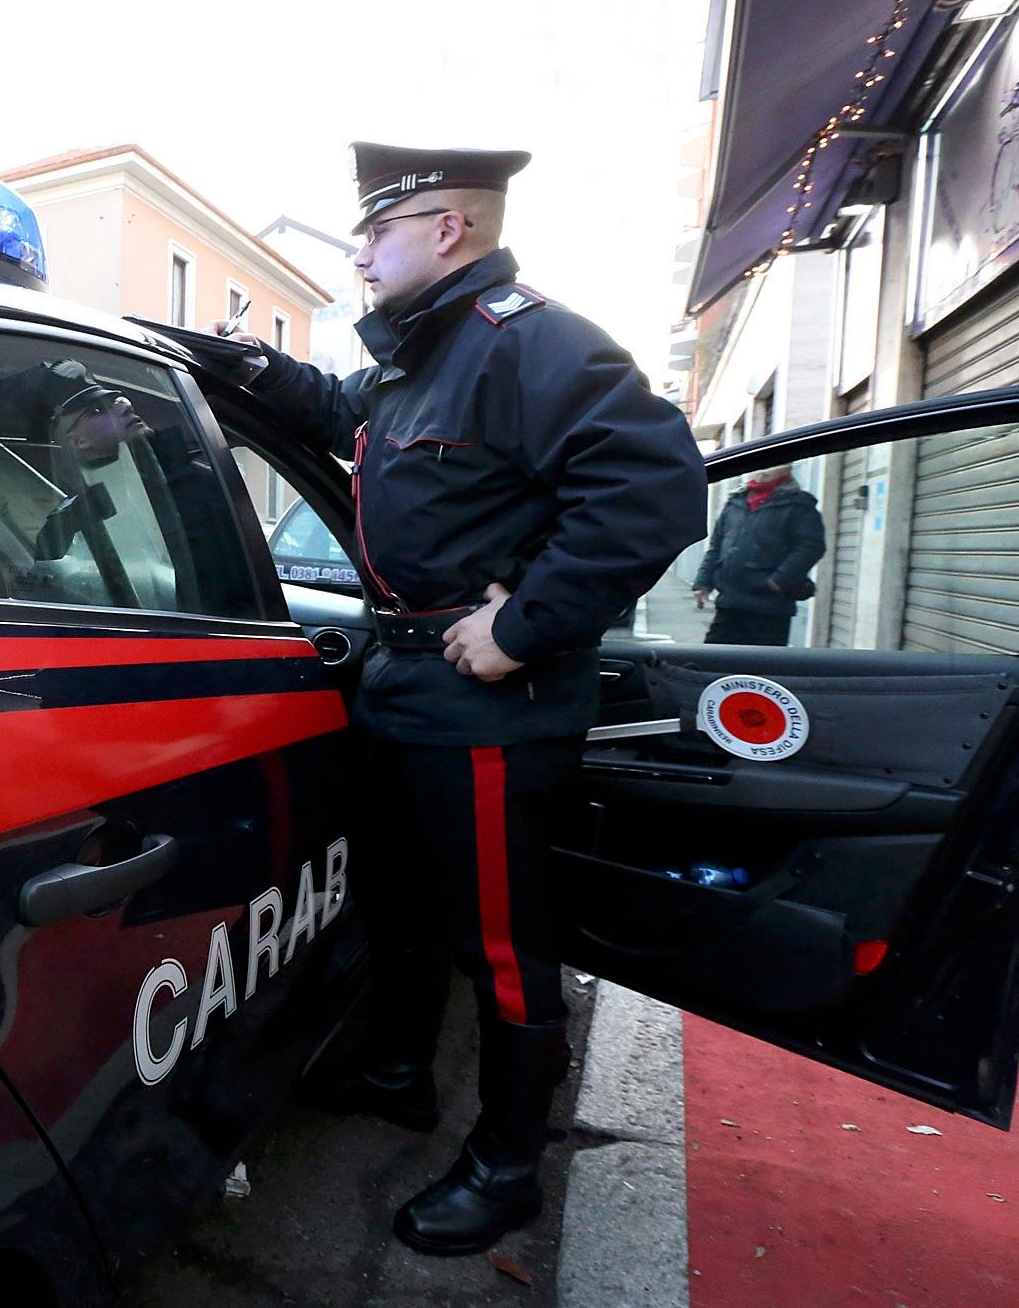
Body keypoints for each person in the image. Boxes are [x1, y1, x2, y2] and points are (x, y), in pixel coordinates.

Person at [204, 143, 707, 1256]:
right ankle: (396, 1074)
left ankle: (505, 1164)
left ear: (446, 230)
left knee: (496, 941)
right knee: (397, 900)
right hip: (402, 678)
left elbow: (656, 487)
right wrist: (235, 364)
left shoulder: (526, 340)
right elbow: (344, 421)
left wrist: (523, 624)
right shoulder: (416, 359)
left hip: (487, 699)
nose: (358, 255)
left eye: (374, 234)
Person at [692, 464, 824, 645]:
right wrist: (703, 582)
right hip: (729, 603)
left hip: (769, 609)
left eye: (772, 465)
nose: (762, 469)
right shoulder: (735, 503)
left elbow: (812, 546)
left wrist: (778, 581)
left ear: (786, 469)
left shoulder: (798, 505)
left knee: (759, 666)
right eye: (761, 465)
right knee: (714, 662)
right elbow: (716, 547)